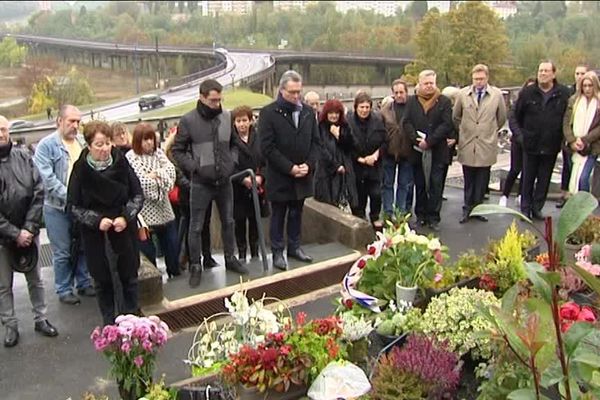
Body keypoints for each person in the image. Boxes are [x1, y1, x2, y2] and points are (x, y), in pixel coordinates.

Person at [172, 79, 247, 287]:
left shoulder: (226, 116)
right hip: (200, 183)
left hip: (224, 181)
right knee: (196, 226)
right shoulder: (188, 120)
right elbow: (177, 150)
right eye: (213, 100)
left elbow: (234, 144)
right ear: (202, 97)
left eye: (219, 99)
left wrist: (231, 162)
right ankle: (196, 265)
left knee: (228, 222)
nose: (217, 104)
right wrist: (194, 166)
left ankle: (230, 258)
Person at [68, 121, 144, 326]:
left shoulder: (121, 162)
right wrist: (96, 220)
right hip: (96, 235)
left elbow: (137, 195)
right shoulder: (80, 170)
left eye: (108, 143)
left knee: (129, 277)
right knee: (103, 282)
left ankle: (134, 322)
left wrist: (126, 216)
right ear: (89, 146)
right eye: (99, 144)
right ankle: (109, 324)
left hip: (122, 229)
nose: (104, 149)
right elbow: (73, 207)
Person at [0, 115, 58, 347]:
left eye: (3, 129)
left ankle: (41, 318)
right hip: (3, 239)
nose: (1, 134)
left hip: (29, 230)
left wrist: (29, 228)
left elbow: (39, 190)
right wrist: (15, 233)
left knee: (36, 280)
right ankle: (10, 325)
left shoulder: (24, 157)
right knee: (3, 286)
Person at [33, 105, 95, 305]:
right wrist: (71, 197)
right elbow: (46, 179)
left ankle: (83, 282)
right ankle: (64, 288)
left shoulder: (80, 144)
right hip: (57, 208)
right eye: (71, 121)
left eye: (78, 121)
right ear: (59, 121)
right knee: (62, 251)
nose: (75, 125)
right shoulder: (46, 145)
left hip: (81, 207)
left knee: (84, 246)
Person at [258, 70, 319, 270]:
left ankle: (295, 247)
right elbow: (267, 147)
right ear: (282, 90)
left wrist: (308, 165)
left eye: (298, 92)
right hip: (280, 176)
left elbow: (316, 143)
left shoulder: (308, 112)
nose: (296, 96)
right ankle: (277, 251)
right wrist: (289, 168)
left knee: (297, 212)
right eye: (292, 92)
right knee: (279, 214)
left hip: (302, 174)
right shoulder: (268, 113)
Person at [514, 61, 570, 220]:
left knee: (544, 179)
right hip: (530, 144)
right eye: (540, 71)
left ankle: (537, 207)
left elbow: (567, 118)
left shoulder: (563, 94)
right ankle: (525, 209)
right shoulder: (527, 93)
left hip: (551, 144)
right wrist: (520, 136)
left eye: (546, 71)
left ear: (553, 74)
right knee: (528, 178)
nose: (542, 74)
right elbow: (515, 117)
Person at [453, 64, 507, 223]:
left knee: (482, 179)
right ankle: (467, 209)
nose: (478, 82)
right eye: (476, 79)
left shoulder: (496, 95)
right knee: (468, 179)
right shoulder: (463, 94)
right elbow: (456, 116)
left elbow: (501, 117)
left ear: (487, 78)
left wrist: (489, 130)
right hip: (468, 142)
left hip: (486, 143)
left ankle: (479, 209)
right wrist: (464, 131)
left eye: (481, 79)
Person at [126, 123, 181, 278]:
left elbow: (171, 172)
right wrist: (160, 179)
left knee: (172, 244)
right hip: (144, 213)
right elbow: (142, 182)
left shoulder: (159, 154)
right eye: (144, 140)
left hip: (165, 208)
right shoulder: (131, 157)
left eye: (150, 139)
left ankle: (174, 272)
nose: (149, 143)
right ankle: (153, 278)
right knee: (147, 250)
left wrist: (155, 175)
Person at [403, 70, 453, 231]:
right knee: (420, 185)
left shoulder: (443, 101)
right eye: (426, 83)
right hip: (417, 151)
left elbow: (446, 125)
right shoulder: (412, 101)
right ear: (420, 83)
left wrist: (429, 141)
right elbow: (406, 122)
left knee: (436, 185)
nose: (430, 86)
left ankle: (434, 218)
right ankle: (421, 216)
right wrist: (416, 140)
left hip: (437, 151)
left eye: (432, 83)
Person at [347, 92, 386, 228]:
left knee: (376, 193)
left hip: (374, 164)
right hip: (356, 164)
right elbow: (346, 144)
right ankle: (360, 217)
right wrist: (361, 159)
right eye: (361, 107)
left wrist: (375, 156)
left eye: (367, 107)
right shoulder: (348, 121)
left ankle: (375, 216)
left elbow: (385, 141)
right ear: (356, 107)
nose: (364, 110)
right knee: (359, 195)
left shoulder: (378, 120)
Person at [231, 106, 265, 261]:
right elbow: (229, 164)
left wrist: (260, 177)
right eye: (238, 121)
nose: (242, 124)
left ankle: (255, 251)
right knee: (239, 222)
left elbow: (266, 160)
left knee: (255, 220)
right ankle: (242, 252)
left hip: (257, 187)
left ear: (251, 121)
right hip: (238, 188)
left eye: (245, 120)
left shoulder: (259, 138)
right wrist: (242, 179)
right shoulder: (230, 142)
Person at [314, 99, 357, 210]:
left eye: (337, 113)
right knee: (326, 204)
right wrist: (335, 165)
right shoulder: (320, 127)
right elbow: (321, 150)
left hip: (344, 172)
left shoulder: (345, 126)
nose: (334, 116)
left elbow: (351, 146)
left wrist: (338, 136)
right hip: (326, 172)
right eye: (331, 113)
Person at [557, 64, 590, 208]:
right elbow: (565, 118)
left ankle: (580, 202)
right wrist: (569, 139)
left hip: (586, 142)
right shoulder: (569, 93)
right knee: (567, 167)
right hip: (569, 139)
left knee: (582, 174)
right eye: (577, 73)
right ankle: (565, 195)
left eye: (582, 73)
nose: (579, 76)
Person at [499, 78, 536, 207]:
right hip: (518, 140)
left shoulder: (538, 104)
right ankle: (504, 195)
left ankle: (521, 195)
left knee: (527, 171)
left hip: (532, 142)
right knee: (515, 169)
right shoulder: (518, 103)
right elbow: (512, 119)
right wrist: (519, 136)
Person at [380, 79, 414, 218]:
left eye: (402, 92)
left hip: (407, 152)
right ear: (392, 93)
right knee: (387, 184)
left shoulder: (413, 108)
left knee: (403, 185)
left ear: (406, 92)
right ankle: (388, 212)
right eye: (396, 92)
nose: (399, 95)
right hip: (389, 152)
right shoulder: (385, 110)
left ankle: (401, 212)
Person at [563, 71, 600, 194]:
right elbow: (566, 122)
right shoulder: (574, 101)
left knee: (583, 178)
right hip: (574, 146)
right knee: (574, 176)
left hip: (593, 146)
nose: (587, 89)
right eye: (585, 86)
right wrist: (572, 140)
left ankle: (585, 207)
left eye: (590, 85)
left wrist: (584, 140)